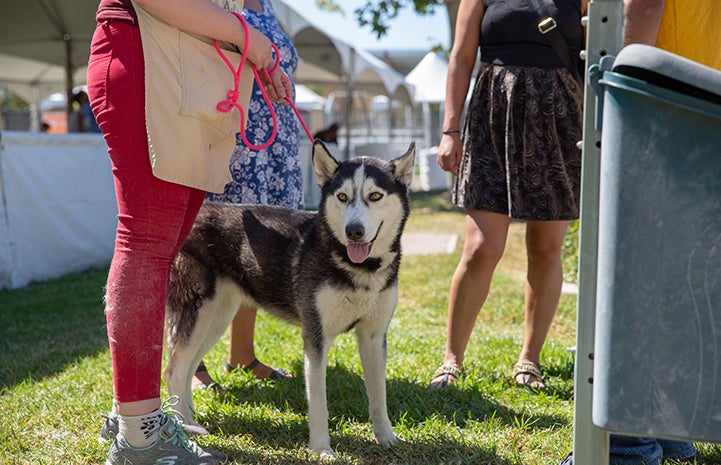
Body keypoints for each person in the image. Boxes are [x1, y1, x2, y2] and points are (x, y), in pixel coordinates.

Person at [86, 0, 292, 463]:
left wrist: (253, 54)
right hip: (151, 61)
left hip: (181, 69)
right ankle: (139, 435)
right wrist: (247, 36)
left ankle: (134, 414)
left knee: (159, 248)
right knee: (147, 245)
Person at [559, 1, 721, 463]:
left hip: (658, 103)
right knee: (675, 276)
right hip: (700, 102)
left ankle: (626, 445)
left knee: (633, 279)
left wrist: (619, 101)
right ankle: (667, 425)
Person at [430, 0, 587, 391]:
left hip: (560, 118)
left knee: (546, 247)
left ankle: (529, 361)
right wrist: (451, 130)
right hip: (492, 115)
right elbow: (461, 58)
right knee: (481, 247)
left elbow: (595, 55)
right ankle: (451, 359)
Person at [192, 0, 301, 391]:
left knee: (258, 252)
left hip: (279, 148)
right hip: (241, 140)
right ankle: (194, 359)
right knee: (220, 249)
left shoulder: (268, 4)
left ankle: (242, 355)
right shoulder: (217, 2)